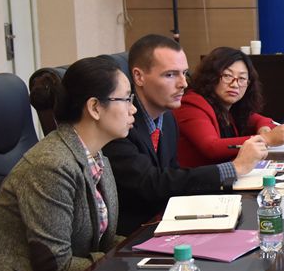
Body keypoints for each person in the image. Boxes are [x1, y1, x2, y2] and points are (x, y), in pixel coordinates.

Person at [0, 57, 136, 271]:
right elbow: (55, 269)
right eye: (125, 99)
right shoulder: (51, 164)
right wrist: (120, 263)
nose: (133, 109)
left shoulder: (96, 156)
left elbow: (102, 239)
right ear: (94, 107)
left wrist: (142, 253)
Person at [103, 35, 267, 234]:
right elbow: (151, 183)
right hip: (133, 234)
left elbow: (173, 177)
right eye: (170, 75)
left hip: (169, 220)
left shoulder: (168, 119)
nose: (183, 84)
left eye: (184, 73)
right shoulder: (119, 122)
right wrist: (234, 168)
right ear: (139, 77)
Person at [174, 46, 284, 168]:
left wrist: (264, 128)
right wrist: (266, 139)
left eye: (242, 78)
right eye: (227, 76)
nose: (235, 84)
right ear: (211, 77)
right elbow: (211, 147)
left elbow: (261, 120)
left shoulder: (230, 107)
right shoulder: (191, 105)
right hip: (199, 179)